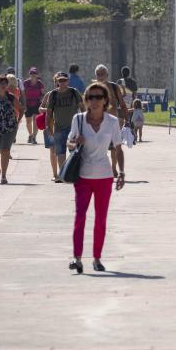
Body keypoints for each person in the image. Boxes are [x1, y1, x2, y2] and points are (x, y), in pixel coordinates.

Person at [67, 83, 125, 274]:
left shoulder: (112, 121)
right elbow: (69, 143)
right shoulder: (78, 119)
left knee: (101, 219)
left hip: (104, 176)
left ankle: (97, 258)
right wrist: (75, 142)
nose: (94, 101)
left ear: (105, 100)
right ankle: (77, 258)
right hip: (83, 175)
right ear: (86, 100)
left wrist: (121, 172)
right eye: (90, 97)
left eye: (98, 97)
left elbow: (118, 148)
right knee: (80, 217)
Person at [46, 71, 84, 172]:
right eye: (60, 80)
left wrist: (85, 124)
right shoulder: (53, 94)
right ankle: (63, 174)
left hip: (74, 129)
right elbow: (49, 113)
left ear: (68, 81)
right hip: (58, 128)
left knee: (74, 152)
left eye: (64, 80)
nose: (62, 82)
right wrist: (48, 127)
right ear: (57, 82)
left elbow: (83, 108)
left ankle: (72, 173)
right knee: (60, 153)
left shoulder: (74, 92)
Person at [93, 65, 128, 175]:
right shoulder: (93, 89)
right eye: (98, 74)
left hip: (113, 122)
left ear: (107, 75)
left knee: (114, 148)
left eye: (102, 74)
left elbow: (122, 104)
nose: (100, 76)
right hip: (97, 123)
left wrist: (127, 119)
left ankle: (113, 168)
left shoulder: (114, 87)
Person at [40, 74, 60, 181]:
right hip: (50, 126)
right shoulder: (49, 94)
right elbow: (40, 108)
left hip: (63, 126)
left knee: (61, 151)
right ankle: (55, 174)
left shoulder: (68, 94)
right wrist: (48, 110)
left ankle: (62, 173)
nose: (58, 83)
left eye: (60, 81)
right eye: (56, 81)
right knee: (53, 150)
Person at [23, 67, 45, 144]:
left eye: (34, 73)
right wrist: (24, 104)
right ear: (29, 74)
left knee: (35, 121)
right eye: (31, 73)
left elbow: (43, 94)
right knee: (28, 122)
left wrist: (41, 102)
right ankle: (30, 135)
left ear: (37, 74)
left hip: (37, 104)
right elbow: (23, 94)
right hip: (28, 103)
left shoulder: (40, 84)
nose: (33, 75)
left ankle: (34, 138)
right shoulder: (26, 83)